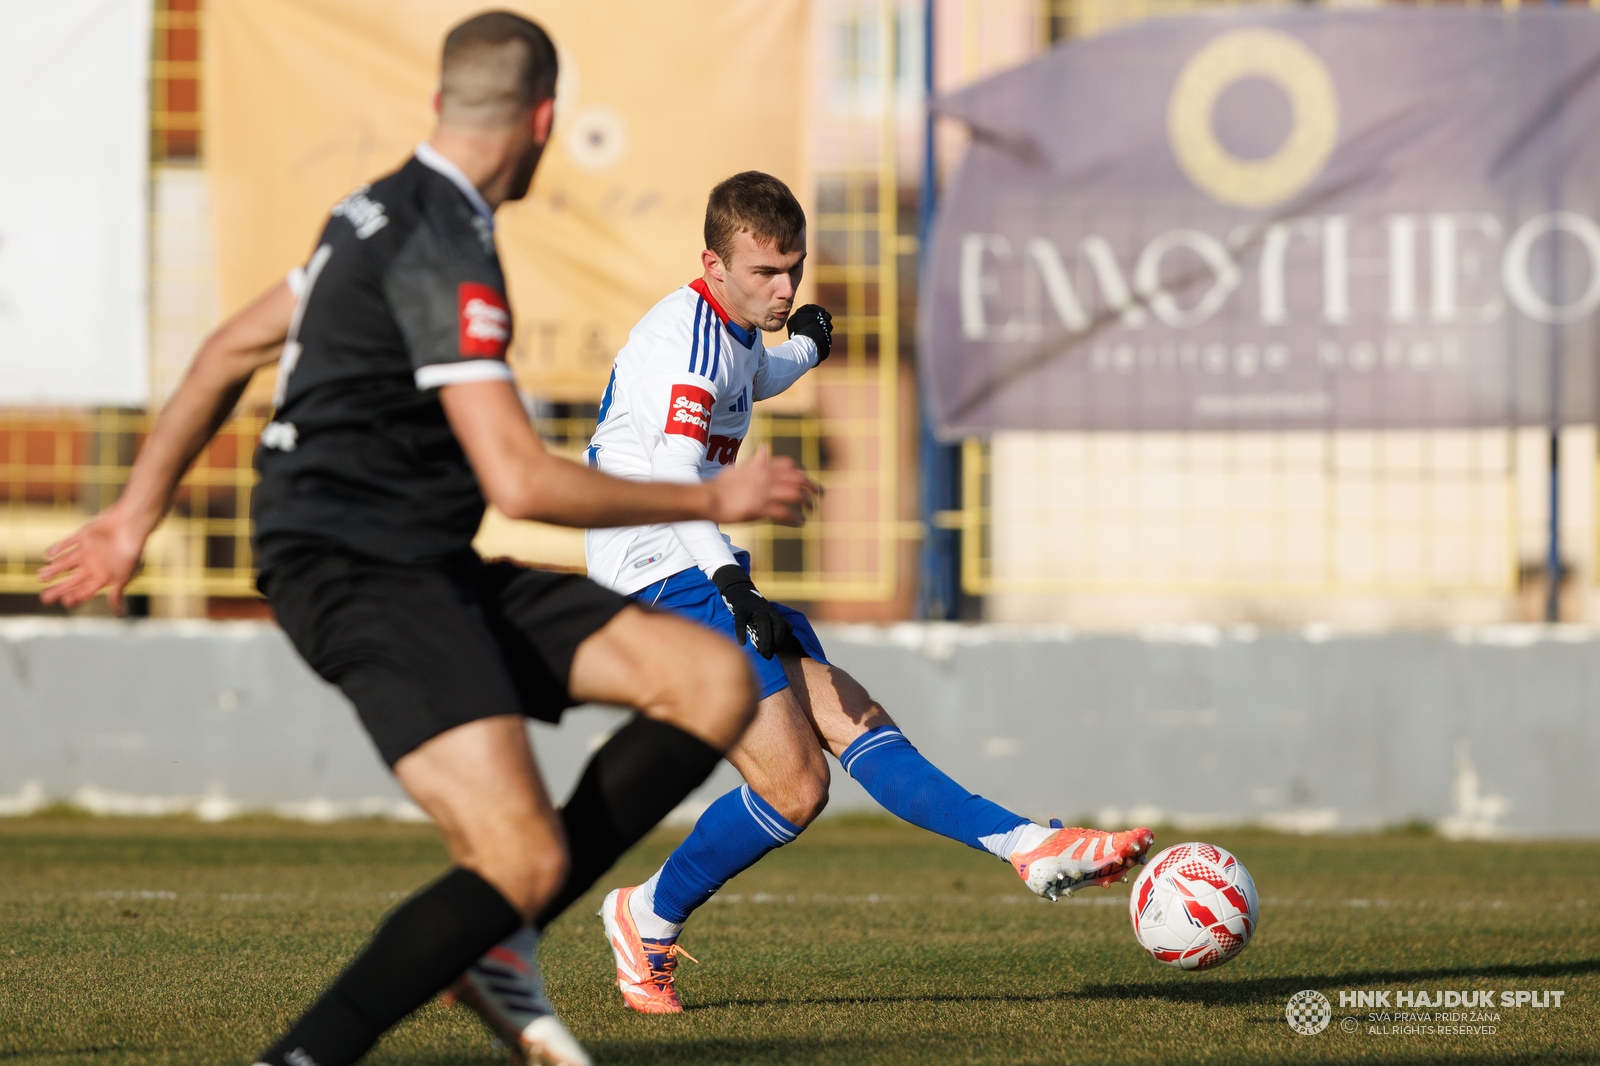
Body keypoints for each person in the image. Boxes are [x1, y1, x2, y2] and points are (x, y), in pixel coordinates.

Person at [40, 15, 815, 1066]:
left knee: (714, 681)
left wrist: (134, 515)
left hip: (429, 558)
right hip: (352, 566)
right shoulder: (446, 243)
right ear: (542, 122)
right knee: (519, 850)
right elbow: (518, 478)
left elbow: (229, 347)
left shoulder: (370, 210)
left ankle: (502, 932)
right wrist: (718, 502)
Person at [467, 170, 1155, 1015]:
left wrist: (810, 349)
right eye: (765, 272)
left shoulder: (737, 328)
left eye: (793, 268)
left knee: (849, 716)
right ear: (713, 266)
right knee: (794, 787)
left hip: (693, 564)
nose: (785, 287)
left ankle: (1029, 845)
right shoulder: (687, 345)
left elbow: (758, 376)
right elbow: (682, 473)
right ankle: (642, 916)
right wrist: (727, 579)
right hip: (660, 573)